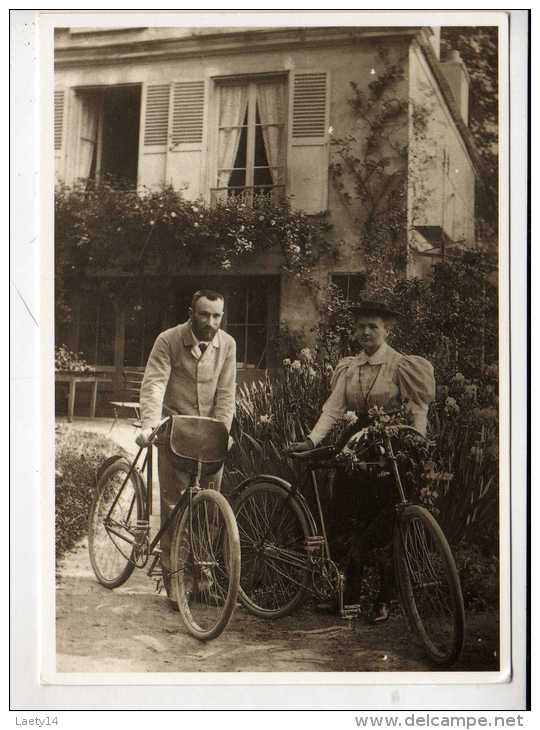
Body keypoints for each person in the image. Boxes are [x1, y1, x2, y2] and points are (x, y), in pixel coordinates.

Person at [289, 300, 435, 622]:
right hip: (356, 447)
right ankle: (348, 597)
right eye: (361, 327)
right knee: (346, 518)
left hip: (391, 448)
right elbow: (333, 409)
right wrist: (313, 440)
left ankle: (384, 599)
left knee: (387, 523)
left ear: (387, 329)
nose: (367, 332)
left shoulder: (401, 366)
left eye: (374, 326)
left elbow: (417, 410)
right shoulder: (350, 367)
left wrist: (417, 443)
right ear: (354, 331)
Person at [136, 289, 236, 609]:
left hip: (208, 435)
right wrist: (150, 425)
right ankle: (175, 582)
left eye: (217, 315)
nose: (211, 322)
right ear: (190, 312)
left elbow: (226, 394)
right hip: (175, 432)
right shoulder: (168, 340)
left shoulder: (227, 345)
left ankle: (204, 584)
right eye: (204, 314)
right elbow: (154, 384)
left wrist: (223, 431)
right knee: (176, 507)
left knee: (208, 508)